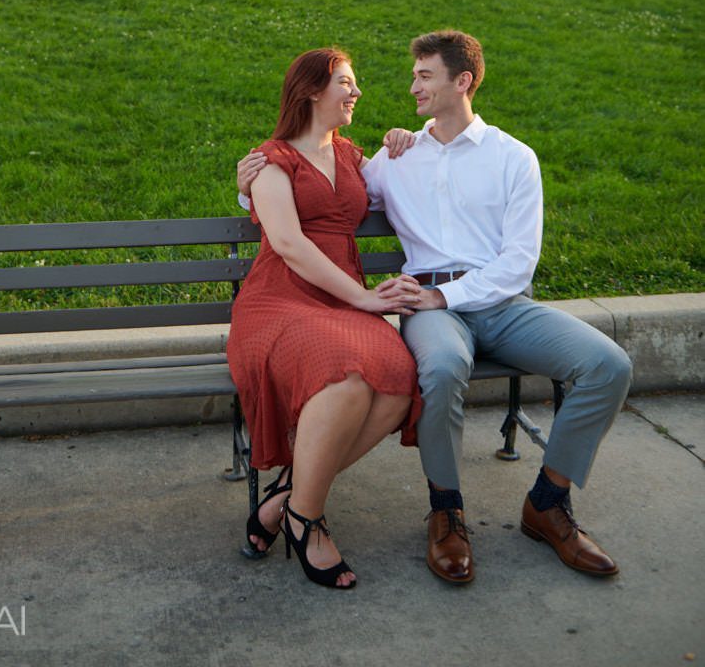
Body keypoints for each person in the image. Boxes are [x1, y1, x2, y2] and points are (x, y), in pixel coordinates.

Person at [238, 30, 632, 585]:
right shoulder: (396, 157)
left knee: (609, 365)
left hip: (499, 302)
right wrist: (246, 184)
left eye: (424, 76)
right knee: (441, 368)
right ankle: (446, 512)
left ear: (462, 81)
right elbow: (324, 191)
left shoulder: (514, 158)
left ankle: (548, 502)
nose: (411, 86)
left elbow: (519, 261)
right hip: (431, 310)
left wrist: (444, 294)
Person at [226, 48, 424, 591]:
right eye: (346, 83)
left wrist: (402, 143)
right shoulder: (271, 161)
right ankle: (307, 521)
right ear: (313, 90)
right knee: (349, 377)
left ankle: (287, 500)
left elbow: (394, 184)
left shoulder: (352, 156)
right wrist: (362, 299)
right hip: (281, 300)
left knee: (398, 380)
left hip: (337, 301)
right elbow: (288, 243)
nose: (356, 93)